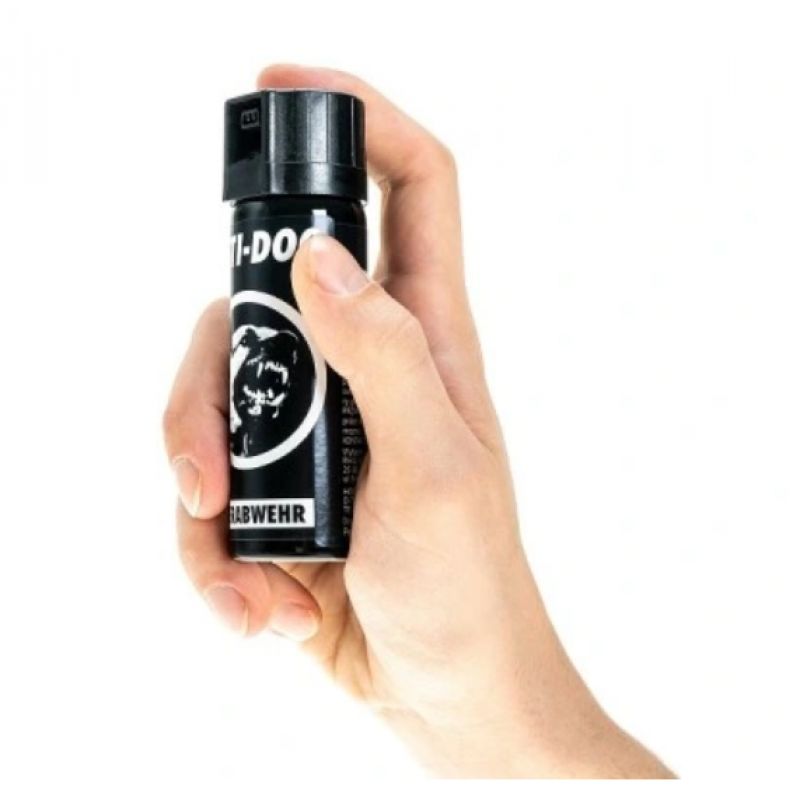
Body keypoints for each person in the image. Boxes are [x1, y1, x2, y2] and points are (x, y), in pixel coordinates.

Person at [162, 64, 674, 779]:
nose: (264, 391)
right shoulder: (266, 226)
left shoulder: (322, 227)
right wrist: (479, 718)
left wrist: (484, 707)